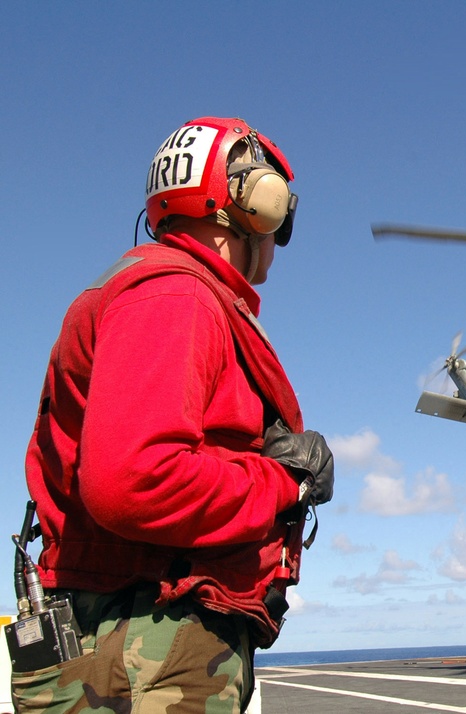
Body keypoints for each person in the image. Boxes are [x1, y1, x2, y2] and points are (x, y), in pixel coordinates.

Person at [14, 117, 334, 713]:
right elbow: (133, 479)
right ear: (253, 207)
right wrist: (282, 479)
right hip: (152, 634)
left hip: (133, 631)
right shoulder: (177, 295)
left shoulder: (159, 293)